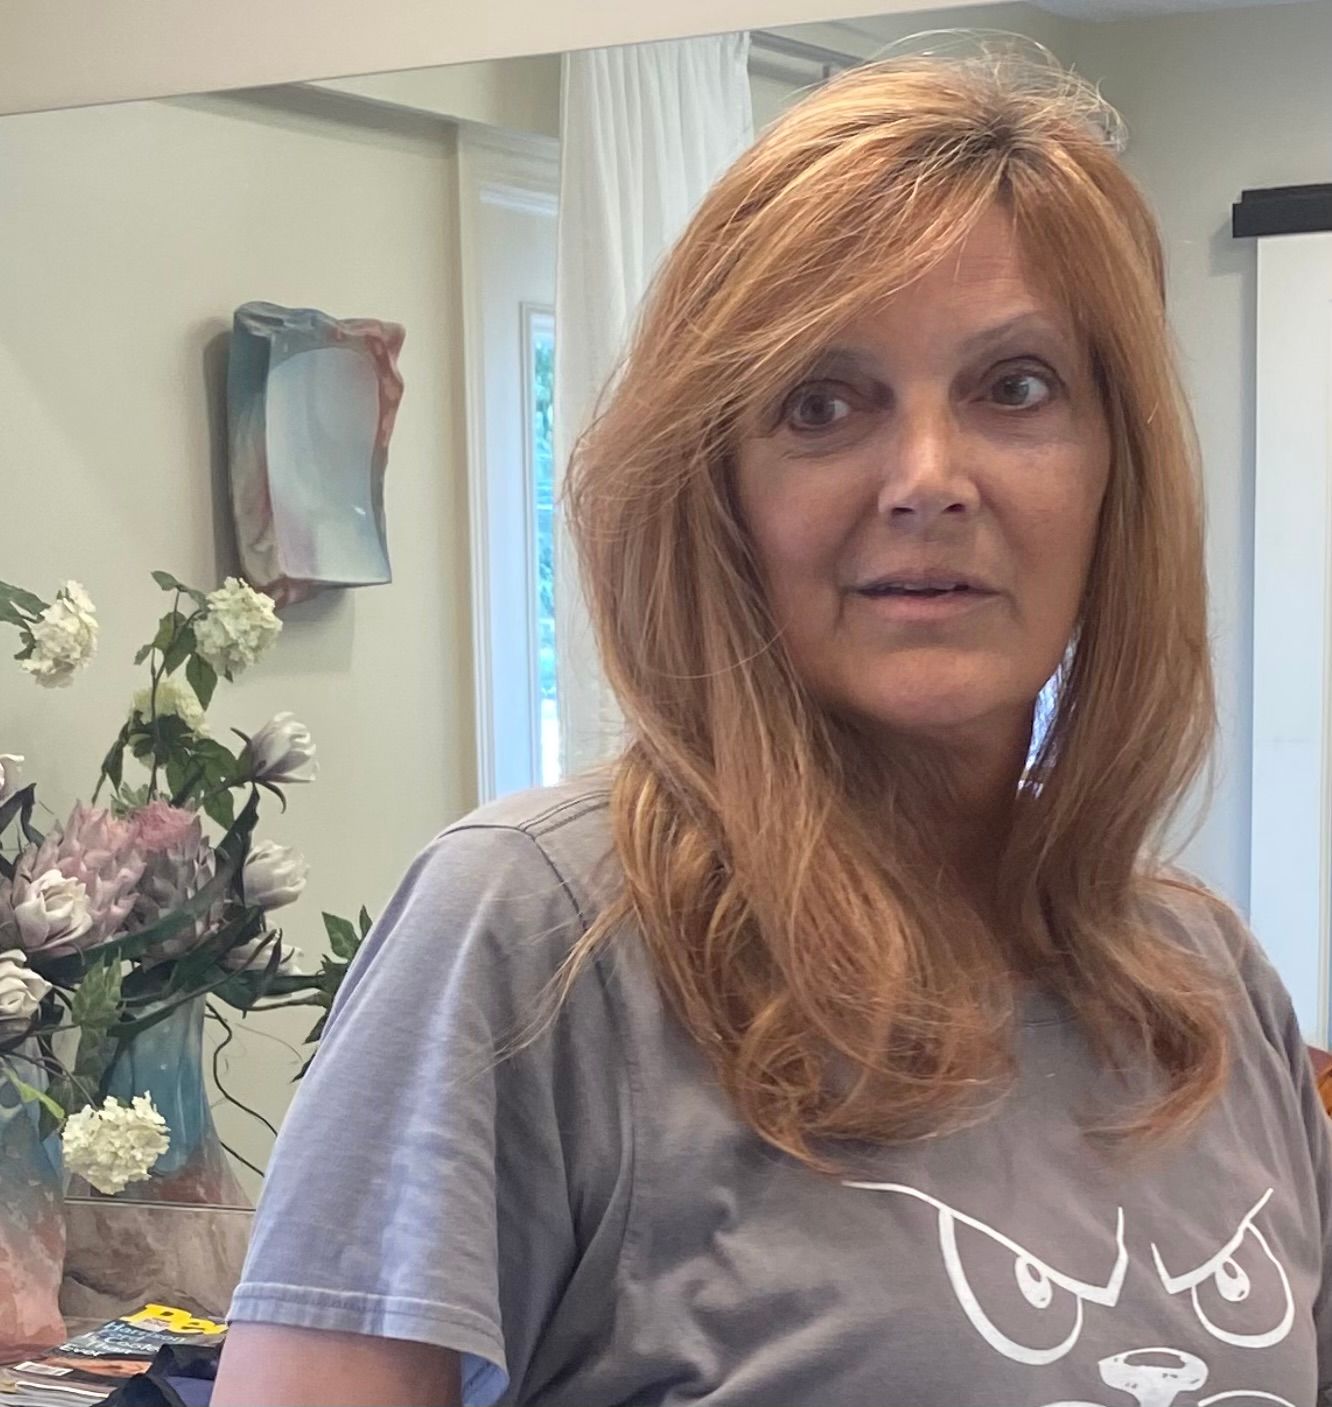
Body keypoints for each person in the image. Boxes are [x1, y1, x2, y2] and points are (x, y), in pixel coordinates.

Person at [212, 45, 1332, 1407]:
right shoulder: (535, 940)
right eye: (822, 404)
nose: (927, 479)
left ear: (1117, 475)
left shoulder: (1207, 986)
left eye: (1016, 386)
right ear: (719, 492)